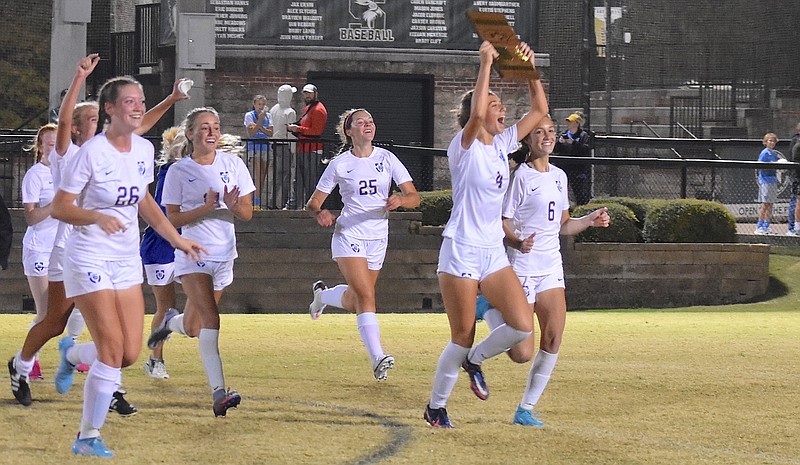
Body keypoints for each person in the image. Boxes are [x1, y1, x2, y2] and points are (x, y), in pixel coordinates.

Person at [7, 54, 190, 409]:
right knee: (55, 322)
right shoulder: (70, 151)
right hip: (71, 247)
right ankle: (22, 363)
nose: (96, 122)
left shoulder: (122, 147)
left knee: (115, 331)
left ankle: (110, 382)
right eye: (89, 118)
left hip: (115, 252)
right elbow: (63, 120)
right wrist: (78, 79)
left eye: (97, 117)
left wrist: (169, 100)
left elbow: (139, 128)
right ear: (78, 127)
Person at [50, 74, 204, 458]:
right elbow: (61, 207)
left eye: (140, 100)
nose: (138, 106)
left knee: (129, 355)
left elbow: (145, 202)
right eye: (130, 101)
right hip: (88, 256)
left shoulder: (141, 150)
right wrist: (95, 218)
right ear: (110, 109)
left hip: (124, 259)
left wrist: (177, 238)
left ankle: (70, 354)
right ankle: (87, 436)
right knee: (110, 349)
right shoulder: (91, 153)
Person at [424, 40, 548, 429]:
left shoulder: (503, 145)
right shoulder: (463, 146)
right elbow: (476, 112)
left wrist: (529, 69)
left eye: (500, 105)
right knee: (460, 333)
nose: (501, 110)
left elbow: (540, 111)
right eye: (496, 105)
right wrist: (485, 64)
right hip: (460, 249)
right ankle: (436, 407)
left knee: (522, 327)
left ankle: (475, 360)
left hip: (492, 250)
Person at [476, 117, 610, 427]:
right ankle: (490, 311)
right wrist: (517, 241)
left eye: (550, 131)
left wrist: (589, 219)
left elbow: (563, 226)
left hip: (551, 269)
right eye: (540, 132)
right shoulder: (520, 177)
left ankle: (525, 409)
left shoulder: (560, 177)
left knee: (553, 339)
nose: (547, 136)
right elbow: (501, 222)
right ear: (527, 140)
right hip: (521, 267)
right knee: (521, 353)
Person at [146, 107, 254, 418]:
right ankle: (219, 392)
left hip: (225, 254)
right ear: (191, 134)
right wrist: (206, 208)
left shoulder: (233, 164)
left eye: (216, 127)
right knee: (212, 319)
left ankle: (169, 323)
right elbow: (173, 218)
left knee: (193, 328)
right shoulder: (179, 171)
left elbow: (247, 212)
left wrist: (234, 206)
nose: (211, 133)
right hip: (193, 254)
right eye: (204, 128)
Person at [306, 108, 420, 381]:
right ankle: (377, 357)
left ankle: (322, 297)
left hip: (378, 237)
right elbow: (313, 203)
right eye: (361, 122)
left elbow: (414, 196)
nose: (368, 125)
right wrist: (319, 213)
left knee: (357, 300)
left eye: (371, 121)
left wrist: (401, 201)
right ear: (349, 131)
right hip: (349, 236)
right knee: (367, 297)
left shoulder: (387, 158)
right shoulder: (340, 164)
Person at [140, 127, 186, 380]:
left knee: (203, 302)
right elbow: (163, 213)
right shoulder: (169, 172)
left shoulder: (199, 169)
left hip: (186, 243)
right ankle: (155, 360)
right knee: (166, 306)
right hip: (162, 244)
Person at [19, 124, 59, 380]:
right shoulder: (35, 175)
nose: (54, 148)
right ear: (41, 147)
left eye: (59, 143)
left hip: (63, 249)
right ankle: (28, 360)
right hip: (39, 249)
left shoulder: (69, 172)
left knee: (70, 309)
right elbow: (31, 217)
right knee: (45, 312)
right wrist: (57, 205)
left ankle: (72, 353)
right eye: (50, 144)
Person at [287, 83, 327, 209]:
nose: (307, 95)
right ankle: (294, 205)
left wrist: (297, 129)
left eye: (309, 93)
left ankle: (310, 206)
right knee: (298, 179)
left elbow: (316, 131)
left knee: (310, 180)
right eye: (305, 93)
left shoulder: (318, 109)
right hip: (303, 148)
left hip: (312, 149)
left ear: (315, 94)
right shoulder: (308, 109)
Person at [553, 112, 594, 206]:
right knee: (561, 190)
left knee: (579, 192)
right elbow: (555, 150)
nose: (568, 124)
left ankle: (581, 208)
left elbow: (586, 150)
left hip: (577, 168)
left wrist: (573, 143)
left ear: (577, 123)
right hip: (564, 167)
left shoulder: (584, 135)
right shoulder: (563, 134)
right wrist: (559, 143)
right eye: (568, 122)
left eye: (571, 122)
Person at [269, 84, 297, 209]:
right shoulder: (290, 112)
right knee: (286, 175)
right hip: (285, 145)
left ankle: (272, 201)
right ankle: (283, 202)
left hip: (274, 145)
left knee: (276, 175)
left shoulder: (273, 109)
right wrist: (293, 149)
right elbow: (290, 133)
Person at [244, 94, 272, 209]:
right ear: (254, 104)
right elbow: (251, 133)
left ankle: (257, 199)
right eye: (259, 104)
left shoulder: (268, 116)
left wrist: (259, 126)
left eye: (263, 104)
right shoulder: (249, 116)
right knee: (257, 174)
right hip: (254, 147)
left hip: (265, 146)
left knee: (263, 175)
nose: (261, 107)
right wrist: (260, 121)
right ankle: (255, 202)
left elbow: (270, 133)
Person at [755, 133, 780, 235]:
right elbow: (761, 166)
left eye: (773, 141)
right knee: (764, 204)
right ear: (765, 142)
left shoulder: (773, 154)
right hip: (766, 180)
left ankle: (766, 226)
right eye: (770, 141)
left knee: (771, 204)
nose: (772, 143)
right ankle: (759, 226)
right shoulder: (764, 153)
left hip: (773, 180)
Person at [789, 122, 800, 235]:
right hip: (797, 177)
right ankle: (793, 228)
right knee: (796, 201)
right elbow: (794, 159)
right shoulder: (796, 142)